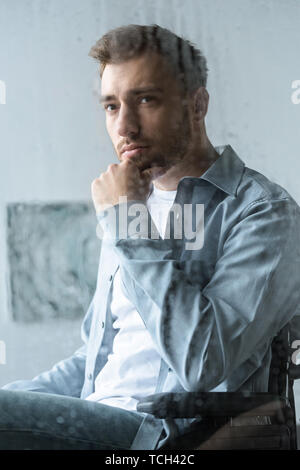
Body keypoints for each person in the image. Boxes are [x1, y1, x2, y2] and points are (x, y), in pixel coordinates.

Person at [1, 24, 300, 450]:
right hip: (96, 417)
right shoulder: (128, 204)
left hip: (164, 436)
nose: (125, 126)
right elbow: (94, 361)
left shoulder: (263, 212)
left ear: (197, 105)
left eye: (145, 100)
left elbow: (202, 362)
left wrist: (126, 222)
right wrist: (15, 401)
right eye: (110, 106)